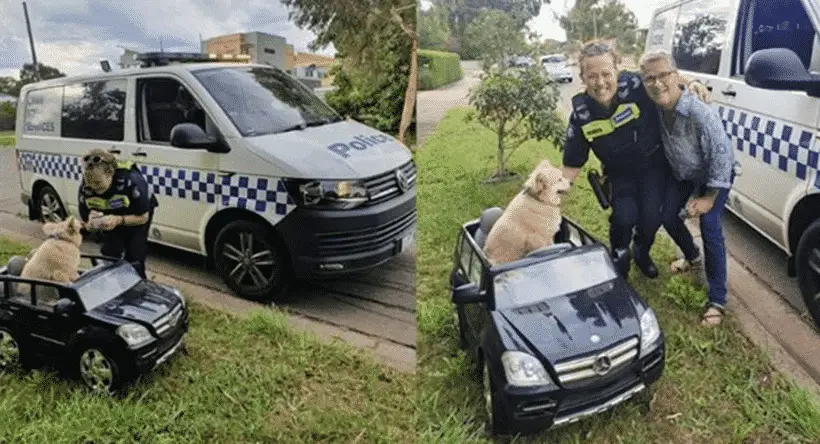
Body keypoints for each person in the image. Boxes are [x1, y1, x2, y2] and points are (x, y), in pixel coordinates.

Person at [561, 40, 710, 278]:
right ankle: (619, 259)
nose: (600, 83)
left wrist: (692, 83)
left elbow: (664, 76)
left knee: (651, 218)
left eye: (606, 74)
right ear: (582, 77)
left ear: (618, 69)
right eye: (592, 76)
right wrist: (550, 196)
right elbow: (571, 164)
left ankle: (641, 252)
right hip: (619, 173)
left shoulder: (636, 84)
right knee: (623, 217)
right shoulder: (582, 115)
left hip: (653, 167)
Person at [639, 50, 735, 326]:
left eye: (664, 76)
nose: (657, 84)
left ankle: (718, 299)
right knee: (668, 215)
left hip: (714, 176)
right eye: (650, 79)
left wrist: (709, 197)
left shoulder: (699, 112)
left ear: (675, 76)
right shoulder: (655, 105)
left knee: (710, 226)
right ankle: (693, 258)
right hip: (683, 173)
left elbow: (722, 156)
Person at [77, 148, 158, 279]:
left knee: (135, 254)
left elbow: (143, 217)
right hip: (111, 214)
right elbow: (86, 222)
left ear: (111, 174)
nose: (95, 189)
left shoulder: (132, 181)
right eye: (90, 185)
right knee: (110, 252)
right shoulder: (86, 187)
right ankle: (112, 284)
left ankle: (138, 284)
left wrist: (119, 220)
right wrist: (92, 223)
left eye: (98, 183)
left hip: (136, 214)